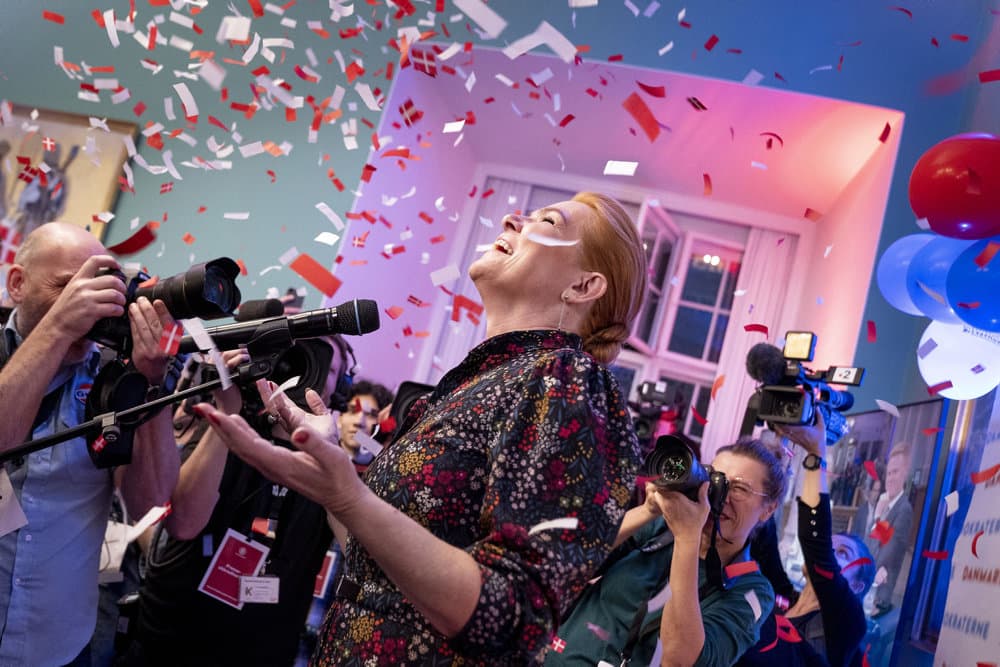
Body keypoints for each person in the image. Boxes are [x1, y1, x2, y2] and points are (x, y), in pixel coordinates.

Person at [194, 191, 647, 664]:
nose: (514, 218)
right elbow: (380, 570)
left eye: (547, 221)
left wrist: (351, 495)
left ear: (582, 287)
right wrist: (334, 475)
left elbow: (513, 619)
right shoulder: (466, 388)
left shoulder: (566, 383)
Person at [0, 222, 179, 665]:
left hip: (57, 641)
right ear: (17, 283)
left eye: (98, 289)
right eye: (67, 286)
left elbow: (148, 501)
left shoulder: (113, 377)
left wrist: (151, 382)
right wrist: (59, 326)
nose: (88, 303)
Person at [119, 336, 354, 667]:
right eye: (297, 353)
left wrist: (326, 451)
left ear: (340, 387)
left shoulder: (334, 467)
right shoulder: (230, 423)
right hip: (166, 644)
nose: (304, 369)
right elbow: (183, 522)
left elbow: (360, 554)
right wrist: (228, 411)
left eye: (325, 365)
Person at [548, 436, 785, 666]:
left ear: (768, 509)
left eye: (739, 488)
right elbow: (566, 562)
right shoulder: (661, 529)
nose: (720, 495)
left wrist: (687, 538)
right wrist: (648, 510)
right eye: (715, 479)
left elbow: (679, 660)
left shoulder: (753, 591)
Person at [737, 412, 875, 667]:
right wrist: (775, 465)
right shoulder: (781, 596)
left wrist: (816, 453)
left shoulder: (847, 623)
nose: (831, 553)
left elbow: (818, 548)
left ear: (856, 587)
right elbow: (762, 539)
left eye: (843, 553)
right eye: (831, 545)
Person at [869, 444, 913, 617]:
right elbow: (871, 546)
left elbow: (888, 552)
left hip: (880, 597)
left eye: (895, 472)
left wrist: (878, 516)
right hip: (869, 590)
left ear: (905, 474)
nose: (890, 478)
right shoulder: (887, 505)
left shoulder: (904, 510)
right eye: (888, 473)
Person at [336, 378, 393, 471]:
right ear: (340, 418)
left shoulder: (386, 470)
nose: (359, 422)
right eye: (353, 411)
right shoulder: (319, 454)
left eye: (372, 415)